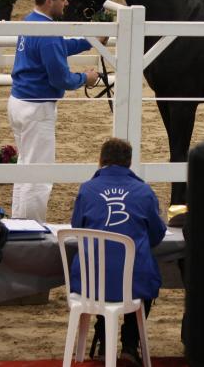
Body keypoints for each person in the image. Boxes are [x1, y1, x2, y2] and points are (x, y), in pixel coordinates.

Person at [8, 0, 102, 222]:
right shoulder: (47, 31)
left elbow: (57, 47)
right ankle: (30, 227)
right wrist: (86, 78)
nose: (67, 3)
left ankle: (20, 222)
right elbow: (60, 78)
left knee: (26, 165)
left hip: (20, 102)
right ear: (50, 0)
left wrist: (88, 42)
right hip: (37, 107)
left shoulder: (32, 21)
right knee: (39, 174)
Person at [70, 137, 167, 365]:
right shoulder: (143, 191)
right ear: (129, 162)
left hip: (91, 281)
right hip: (133, 281)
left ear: (101, 160)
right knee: (140, 278)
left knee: (103, 277)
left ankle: (104, 339)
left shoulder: (87, 190)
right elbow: (157, 234)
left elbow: (77, 229)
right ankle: (130, 345)